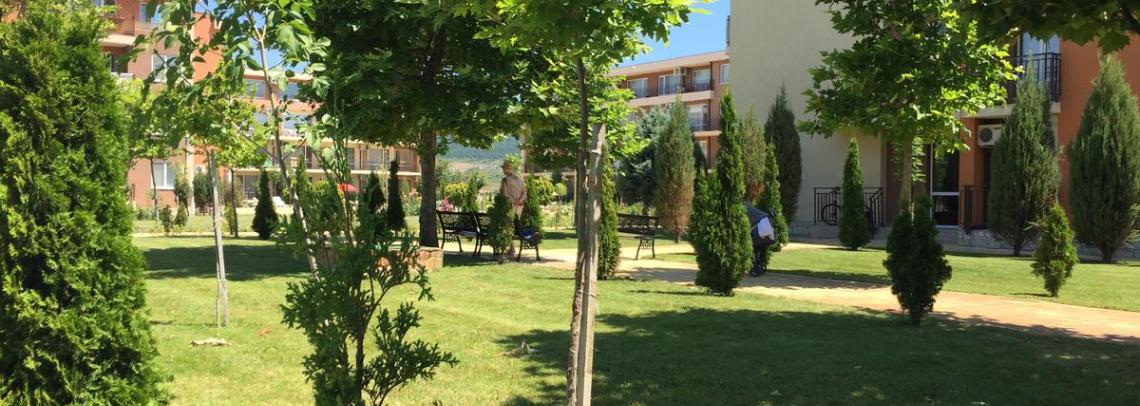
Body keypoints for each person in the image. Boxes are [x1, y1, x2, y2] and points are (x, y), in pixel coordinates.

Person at [500, 159, 526, 255]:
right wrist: (519, 200)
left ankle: (512, 248)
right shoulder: (519, 180)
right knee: (515, 225)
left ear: (507, 169)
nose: (503, 170)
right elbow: (524, 192)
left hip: (510, 205)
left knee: (509, 226)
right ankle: (512, 247)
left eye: (504, 168)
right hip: (519, 206)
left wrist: (514, 201)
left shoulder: (505, 180)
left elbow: (505, 194)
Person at [744, 201, 775, 277]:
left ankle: (756, 265)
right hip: (768, 236)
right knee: (761, 249)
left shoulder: (749, 212)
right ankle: (760, 264)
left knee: (755, 249)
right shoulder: (762, 217)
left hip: (760, 234)